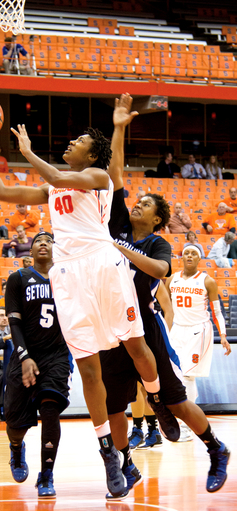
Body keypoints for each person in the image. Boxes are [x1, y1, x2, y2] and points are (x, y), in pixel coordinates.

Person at [0, 110, 180, 500]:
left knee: (136, 346)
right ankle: (110, 458)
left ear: (93, 155)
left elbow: (60, 176)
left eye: (78, 141)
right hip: (69, 279)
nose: (70, 143)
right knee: (89, 370)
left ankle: (157, 399)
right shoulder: (53, 190)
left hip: (103, 267)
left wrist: (27, 153)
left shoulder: (97, 179)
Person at [101, 93, 231, 494]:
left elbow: (160, 271)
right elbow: (115, 173)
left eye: (144, 205)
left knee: (175, 399)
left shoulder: (157, 242)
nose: (135, 206)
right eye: (135, 203)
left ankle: (215, 448)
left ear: (157, 218)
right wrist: (120, 127)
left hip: (144, 323)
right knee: (113, 406)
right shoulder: (118, 221)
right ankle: (125, 465)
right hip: (112, 326)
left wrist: (121, 248)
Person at [5, 232, 71, 497]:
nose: (43, 243)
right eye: (38, 241)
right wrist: (24, 357)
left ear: (56, 249)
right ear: (30, 250)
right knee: (15, 424)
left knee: (51, 410)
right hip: (25, 354)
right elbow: (14, 322)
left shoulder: (68, 280)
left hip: (56, 355)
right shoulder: (18, 278)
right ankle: (15, 448)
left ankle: (46, 475)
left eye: (49, 240)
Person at [165, 244, 231, 420]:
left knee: (188, 376)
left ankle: (188, 422)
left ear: (199, 258)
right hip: (177, 330)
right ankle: (181, 414)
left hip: (198, 331)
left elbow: (217, 312)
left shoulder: (207, 281)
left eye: (194, 253)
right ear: (182, 257)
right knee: (177, 375)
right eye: (186, 253)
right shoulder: (172, 279)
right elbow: (165, 308)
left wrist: (223, 335)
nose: (189, 256)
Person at [128, 281, 173, 450]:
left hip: (150, 337)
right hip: (130, 337)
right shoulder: (124, 276)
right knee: (135, 386)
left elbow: (169, 310)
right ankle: (143, 430)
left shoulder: (154, 280)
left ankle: (149, 430)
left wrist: (163, 338)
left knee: (146, 386)